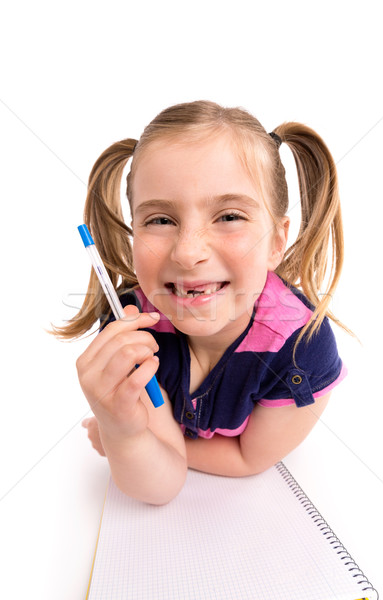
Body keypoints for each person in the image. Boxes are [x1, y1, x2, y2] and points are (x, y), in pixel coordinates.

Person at [55, 100, 349, 505]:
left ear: (277, 241)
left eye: (229, 216)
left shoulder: (301, 349)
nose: (188, 252)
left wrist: (156, 443)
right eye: (160, 220)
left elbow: (249, 458)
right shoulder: (134, 327)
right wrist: (122, 431)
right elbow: (160, 487)